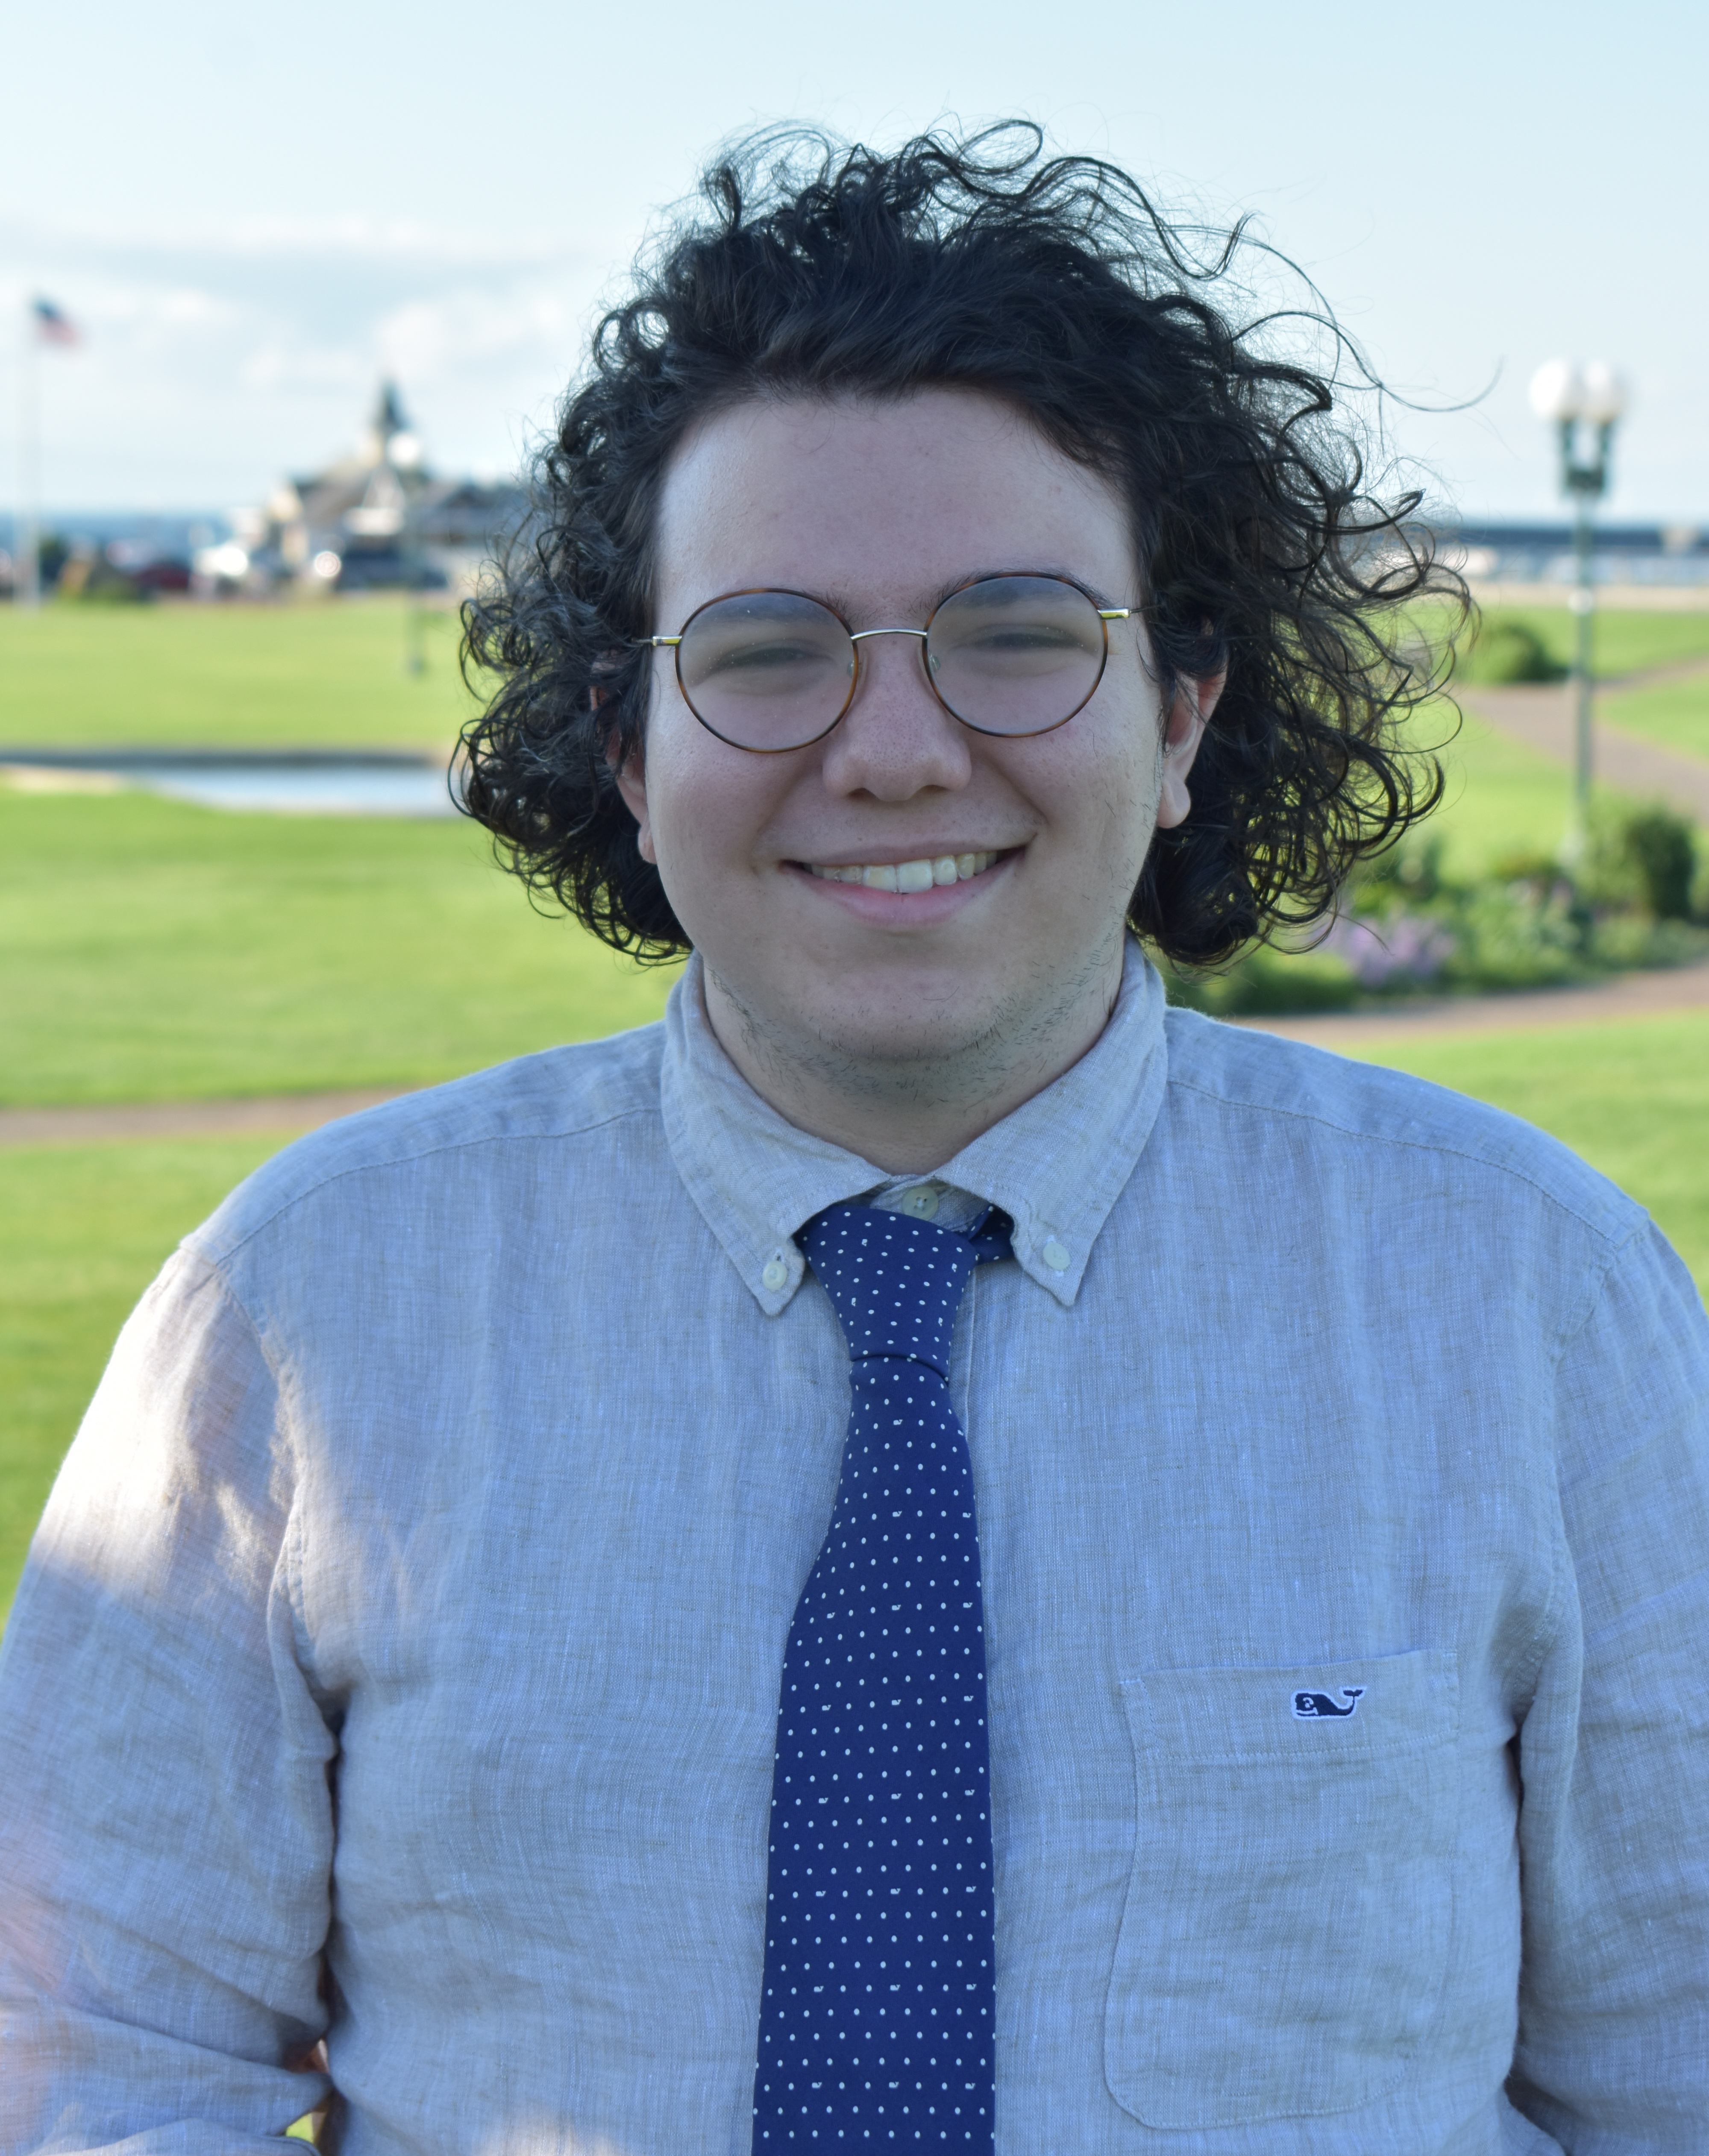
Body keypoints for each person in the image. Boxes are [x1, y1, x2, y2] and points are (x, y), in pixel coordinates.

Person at [2, 128, 1706, 2156]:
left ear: (1179, 715)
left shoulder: (1534, 1298)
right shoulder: (301, 1314)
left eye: (1016, 630)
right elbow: (91, 2067)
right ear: (630, 755)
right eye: (766, 649)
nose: (892, 748)